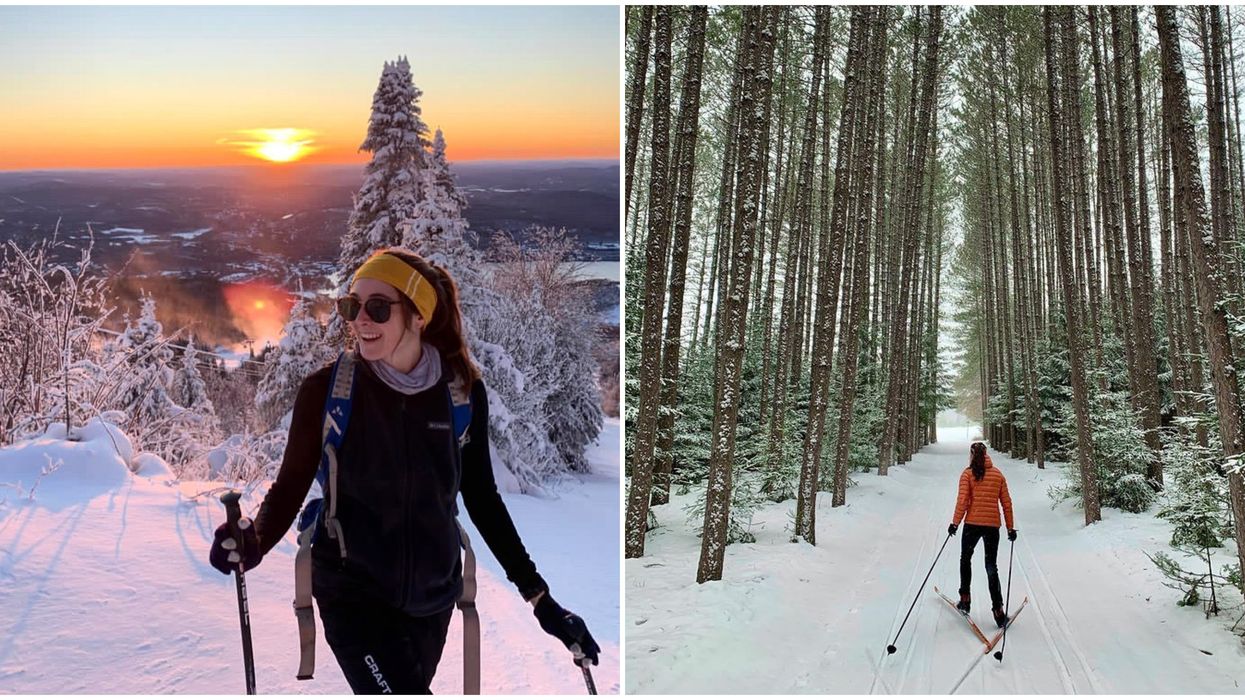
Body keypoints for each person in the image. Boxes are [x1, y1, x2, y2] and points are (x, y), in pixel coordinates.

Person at [209, 248, 599, 693]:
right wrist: (254, 540)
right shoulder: (326, 391)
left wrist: (541, 599)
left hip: (434, 597)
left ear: (419, 317)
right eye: (351, 306)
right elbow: (291, 485)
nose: (360, 321)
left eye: (378, 307)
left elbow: (483, 500)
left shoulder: (462, 394)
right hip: (350, 590)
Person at [947, 441, 1016, 628]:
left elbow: (963, 501)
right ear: (986, 454)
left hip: (972, 525)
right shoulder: (998, 475)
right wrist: (1010, 528)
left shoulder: (967, 474)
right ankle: (998, 611)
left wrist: (955, 523)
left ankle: (965, 599)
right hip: (992, 526)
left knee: (965, 559)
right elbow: (1006, 503)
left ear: (971, 455)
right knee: (991, 566)